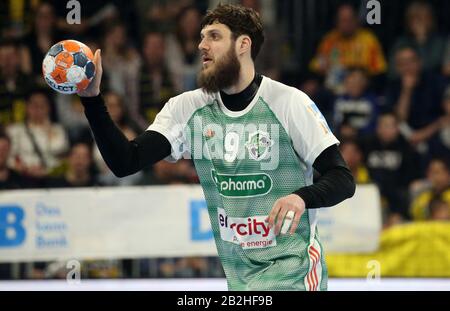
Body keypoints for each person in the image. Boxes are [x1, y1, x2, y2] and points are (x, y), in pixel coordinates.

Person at [77, 4, 355, 291]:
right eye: (201, 37)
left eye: (214, 36)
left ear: (243, 44)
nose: (201, 45)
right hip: (240, 279)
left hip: (293, 271)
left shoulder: (289, 103)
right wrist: (93, 100)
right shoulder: (187, 108)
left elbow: (342, 179)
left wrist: (301, 197)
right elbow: (126, 162)